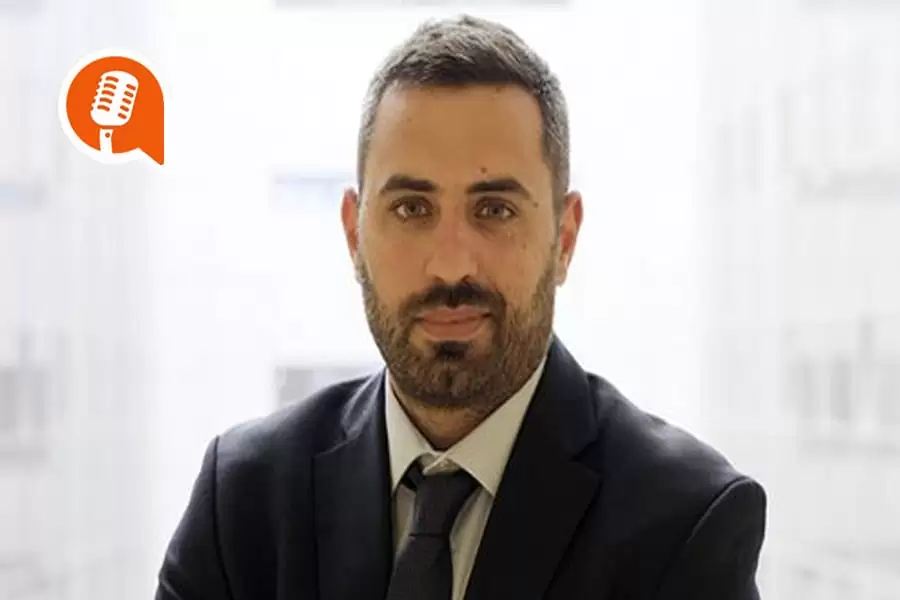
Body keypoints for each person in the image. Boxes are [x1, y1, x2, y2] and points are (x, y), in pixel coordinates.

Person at [155, 14, 767, 600]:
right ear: (353, 234)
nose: (450, 265)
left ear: (564, 238)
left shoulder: (685, 522)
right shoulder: (241, 501)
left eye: (494, 210)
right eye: (411, 209)